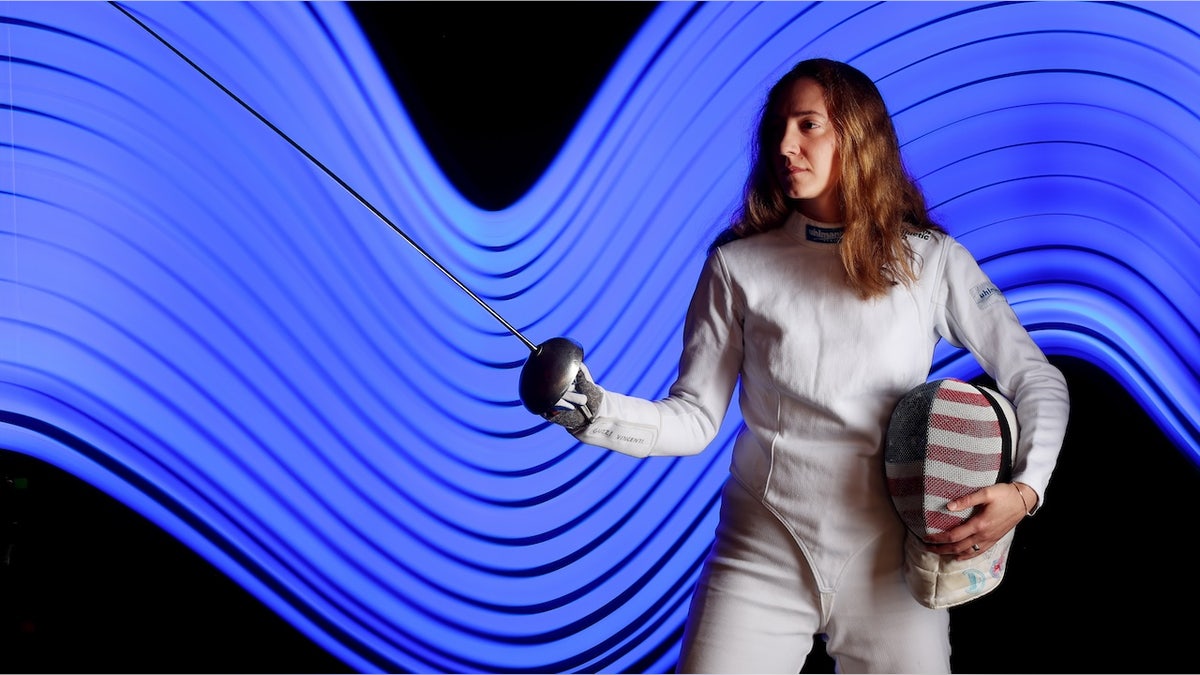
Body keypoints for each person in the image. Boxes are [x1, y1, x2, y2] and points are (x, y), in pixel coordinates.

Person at [537, 57, 1070, 673]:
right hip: (760, 552)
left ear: (857, 136)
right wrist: (590, 411)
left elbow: (1035, 378)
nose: (786, 146)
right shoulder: (739, 265)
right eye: (778, 129)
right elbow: (694, 419)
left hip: (888, 562)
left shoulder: (930, 260)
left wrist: (1026, 491)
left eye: (808, 125)